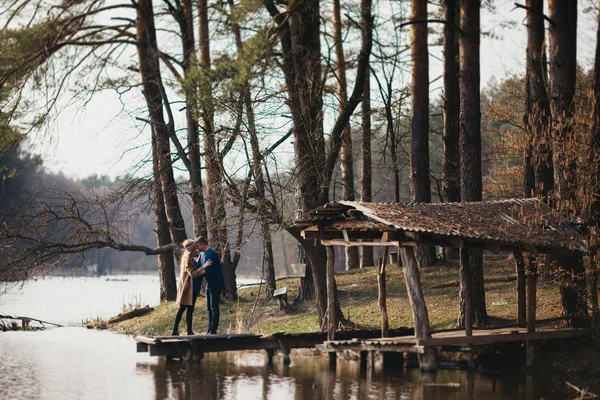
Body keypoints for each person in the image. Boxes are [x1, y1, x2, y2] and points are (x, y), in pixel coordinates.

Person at [171, 238, 209, 336]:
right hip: (190, 288)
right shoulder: (188, 260)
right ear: (192, 249)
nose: (197, 249)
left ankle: (188, 331)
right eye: (195, 247)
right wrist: (204, 266)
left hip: (193, 287)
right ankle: (175, 330)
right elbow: (193, 274)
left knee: (188, 309)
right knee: (183, 308)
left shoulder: (189, 257)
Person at [193, 236, 224, 335]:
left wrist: (195, 274)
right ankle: (209, 328)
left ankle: (213, 330)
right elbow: (198, 266)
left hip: (216, 282)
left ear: (202, 244)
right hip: (209, 283)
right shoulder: (202, 254)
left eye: (197, 246)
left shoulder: (211, 253)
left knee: (214, 306)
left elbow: (207, 270)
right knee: (209, 307)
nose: (197, 248)